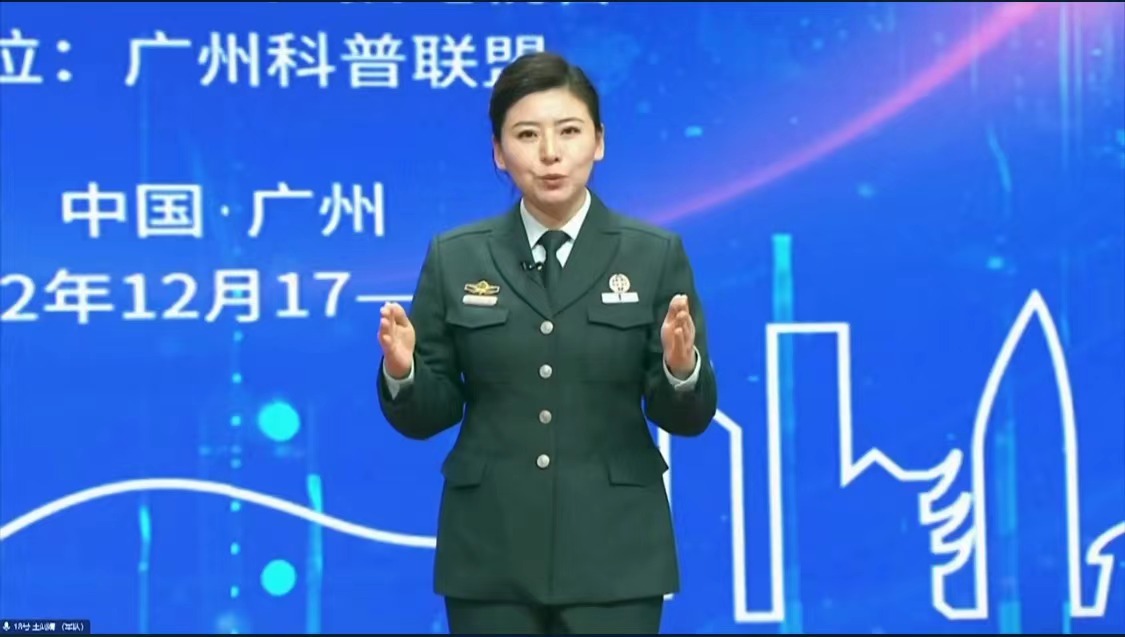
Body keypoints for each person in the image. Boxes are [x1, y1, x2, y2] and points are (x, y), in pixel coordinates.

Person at [376, 51, 718, 635]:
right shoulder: (457, 257)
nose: (550, 153)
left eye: (569, 131)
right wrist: (404, 373)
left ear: (599, 142)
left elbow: (686, 418)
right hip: (490, 553)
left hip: (616, 553)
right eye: (527, 134)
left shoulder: (653, 255)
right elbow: (432, 414)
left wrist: (680, 369)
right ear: (498, 151)